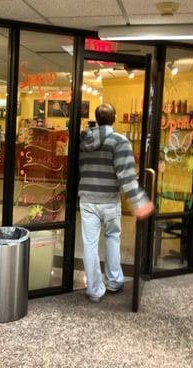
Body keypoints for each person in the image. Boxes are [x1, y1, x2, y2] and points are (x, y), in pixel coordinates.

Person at [79, 103, 154, 302]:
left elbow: (80, 168)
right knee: (112, 238)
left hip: (87, 198)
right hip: (110, 200)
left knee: (90, 244)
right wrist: (140, 203)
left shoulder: (83, 140)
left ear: (97, 118)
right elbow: (127, 177)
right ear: (114, 118)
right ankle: (114, 281)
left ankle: (94, 290)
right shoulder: (120, 142)